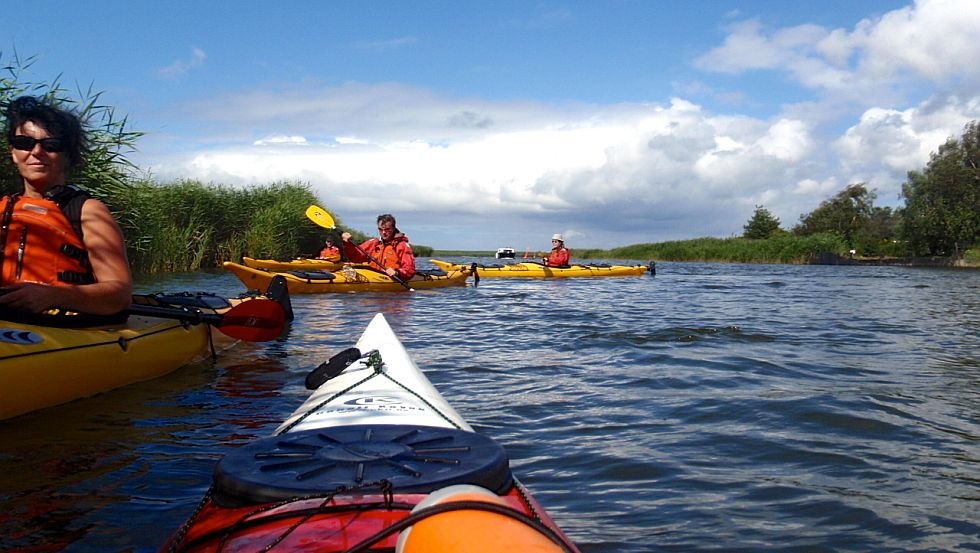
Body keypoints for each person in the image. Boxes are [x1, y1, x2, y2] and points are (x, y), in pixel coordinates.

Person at [0, 96, 132, 316]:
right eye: (25, 143)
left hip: (61, 325)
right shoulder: (4, 208)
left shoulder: (87, 211)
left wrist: (52, 296)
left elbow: (119, 295)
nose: (36, 152)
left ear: (67, 155)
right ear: (13, 152)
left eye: (51, 145)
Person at [340, 213, 416, 281]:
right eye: (380, 229)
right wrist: (348, 244)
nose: (383, 232)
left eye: (387, 229)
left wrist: (397, 273)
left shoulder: (402, 245)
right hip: (374, 277)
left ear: (393, 228)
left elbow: (409, 269)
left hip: (393, 280)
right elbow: (355, 257)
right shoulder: (373, 243)